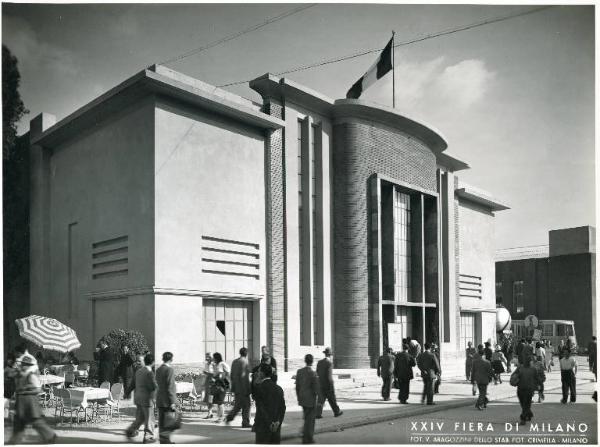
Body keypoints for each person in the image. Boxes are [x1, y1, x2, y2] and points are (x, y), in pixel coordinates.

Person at [7, 354, 56, 444]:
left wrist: (26, 390)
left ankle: (50, 435)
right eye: (23, 364)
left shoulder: (31, 376)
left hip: (30, 401)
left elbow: (38, 389)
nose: (23, 366)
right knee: (19, 421)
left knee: (36, 421)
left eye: (26, 364)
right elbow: (10, 375)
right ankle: (15, 440)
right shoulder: (20, 374)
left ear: (29, 366)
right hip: (21, 401)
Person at [124, 353, 157, 443]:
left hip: (138, 398)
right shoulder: (149, 373)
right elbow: (153, 386)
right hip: (147, 399)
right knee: (149, 418)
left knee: (140, 418)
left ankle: (130, 431)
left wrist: (127, 393)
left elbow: (132, 384)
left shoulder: (138, 372)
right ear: (153, 362)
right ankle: (148, 437)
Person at [253, 364, 286, 444]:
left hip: (263, 426)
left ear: (262, 373)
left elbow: (261, 408)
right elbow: (282, 408)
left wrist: (270, 423)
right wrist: (278, 421)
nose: (257, 373)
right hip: (276, 427)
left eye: (259, 371)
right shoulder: (279, 388)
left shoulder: (259, 388)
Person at [295, 354, 322, 444]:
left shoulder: (299, 371)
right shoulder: (313, 373)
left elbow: (297, 387)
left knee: (306, 418)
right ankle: (308, 438)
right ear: (312, 361)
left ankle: (305, 436)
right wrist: (319, 400)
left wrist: (298, 397)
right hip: (311, 400)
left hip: (302, 398)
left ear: (305, 361)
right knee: (310, 420)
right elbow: (316, 388)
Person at [226, 347, 252, 428]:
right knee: (247, 405)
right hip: (243, 388)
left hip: (236, 387)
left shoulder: (235, 361)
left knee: (238, 405)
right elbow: (244, 376)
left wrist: (233, 387)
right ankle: (245, 422)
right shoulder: (245, 361)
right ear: (246, 353)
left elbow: (231, 375)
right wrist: (248, 389)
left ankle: (229, 417)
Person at [156, 352, 178, 444]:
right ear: (171, 359)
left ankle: (162, 440)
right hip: (167, 400)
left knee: (161, 421)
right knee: (168, 421)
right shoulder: (170, 370)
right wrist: (173, 401)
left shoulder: (158, 369)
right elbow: (170, 387)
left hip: (159, 399)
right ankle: (166, 441)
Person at [316, 347, 343, 418]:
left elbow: (317, 373)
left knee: (320, 400)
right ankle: (337, 412)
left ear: (325, 354)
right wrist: (331, 385)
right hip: (328, 385)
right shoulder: (329, 363)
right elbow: (329, 376)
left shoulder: (319, 362)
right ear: (330, 355)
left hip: (321, 384)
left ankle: (317, 414)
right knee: (332, 399)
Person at [515, 357, 541, 425]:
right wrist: (514, 381)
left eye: (528, 361)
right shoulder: (520, 368)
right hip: (520, 389)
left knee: (526, 404)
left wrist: (540, 388)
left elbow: (537, 379)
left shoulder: (533, 369)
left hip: (529, 390)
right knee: (523, 404)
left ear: (530, 362)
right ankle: (529, 414)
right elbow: (514, 376)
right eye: (525, 360)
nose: (526, 362)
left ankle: (523, 418)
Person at [210, 352, 230, 423]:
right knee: (219, 402)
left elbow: (222, 374)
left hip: (221, 385)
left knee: (220, 402)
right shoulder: (218, 364)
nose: (213, 359)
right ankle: (220, 417)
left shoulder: (221, 364)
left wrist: (215, 379)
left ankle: (221, 417)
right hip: (219, 385)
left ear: (216, 358)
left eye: (213, 357)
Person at [471, 344, 492, 410]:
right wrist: (493, 377)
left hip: (477, 379)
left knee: (482, 392)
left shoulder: (474, 362)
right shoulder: (487, 362)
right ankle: (479, 404)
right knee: (482, 393)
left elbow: (473, 371)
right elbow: (490, 371)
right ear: (484, 355)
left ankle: (484, 401)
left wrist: (472, 379)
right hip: (484, 379)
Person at [202, 352, 215, 418]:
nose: (207, 358)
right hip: (208, 381)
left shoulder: (214, 364)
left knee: (212, 397)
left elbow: (215, 373)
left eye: (209, 357)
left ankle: (219, 415)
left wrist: (209, 374)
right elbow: (204, 372)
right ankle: (210, 412)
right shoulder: (206, 364)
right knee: (208, 397)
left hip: (213, 382)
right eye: (206, 357)